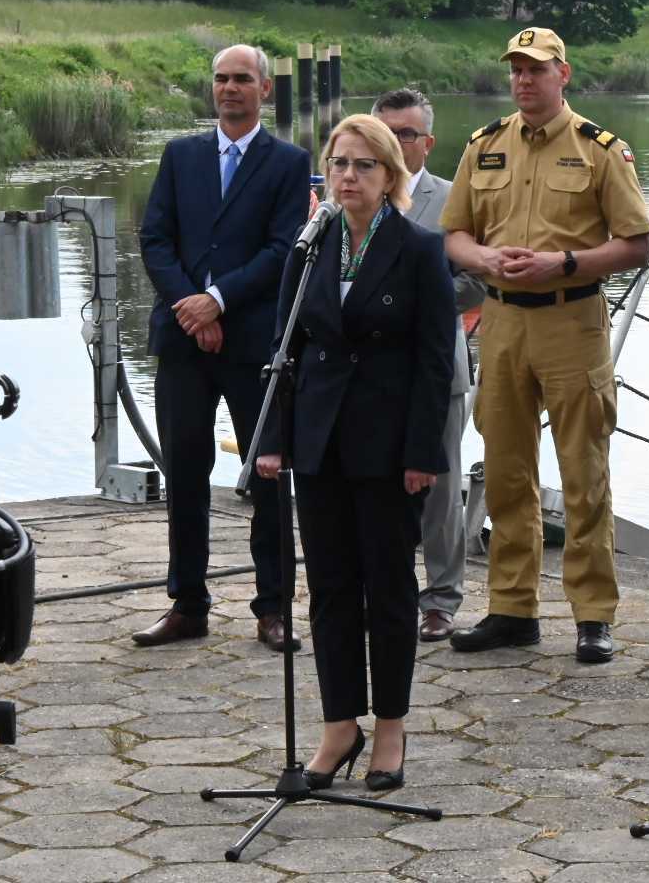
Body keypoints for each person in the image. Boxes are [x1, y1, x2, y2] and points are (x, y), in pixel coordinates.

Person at [255, 114, 455, 792]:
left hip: (390, 445)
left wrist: (423, 451)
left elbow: (435, 362)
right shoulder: (310, 246)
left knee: (390, 588)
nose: (348, 176)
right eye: (338, 164)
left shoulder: (420, 248)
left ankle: (391, 727)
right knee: (331, 589)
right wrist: (276, 441)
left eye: (364, 165)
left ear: (390, 175)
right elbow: (285, 350)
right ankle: (340, 724)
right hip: (318, 441)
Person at [443, 27, 649, 664]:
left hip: (571, 321)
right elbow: (453, 234)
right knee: (506, 471)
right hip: (502, 323)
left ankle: (592, 615)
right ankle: (512, 608)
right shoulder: (484, 146)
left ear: (564, 73)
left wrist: (562, 263)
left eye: (536, 69)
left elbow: (637, 244)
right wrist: (484, 258)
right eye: (516, 70)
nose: (524, 80)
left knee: (584, 475)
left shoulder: (599, 151)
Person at [135, 44, 310, 652]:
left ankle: (273, 608)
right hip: (184, 340)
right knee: (185, 471)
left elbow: (284, 247)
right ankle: (187, 604)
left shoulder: (288, 162)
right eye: (220, 79)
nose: (229, 88)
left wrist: (220, 301)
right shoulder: (180, 155)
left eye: (242, 79)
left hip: (253, 342)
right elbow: (154, 237)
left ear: (265, 89)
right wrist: (191, 305)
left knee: (268, 474)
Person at [372, 88, 487, 644]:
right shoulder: (348, 199)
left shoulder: (455, 202)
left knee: (439, 486)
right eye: (385, 134)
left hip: (436, 365)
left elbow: (479, 281)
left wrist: (410, 298)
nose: (396, 144)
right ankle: (384, 589)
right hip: (367, 371)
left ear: (428, 142)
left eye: (407, 134)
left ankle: (441, 600)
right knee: (374, 484)